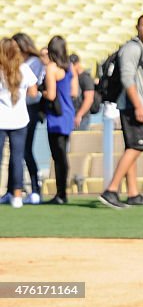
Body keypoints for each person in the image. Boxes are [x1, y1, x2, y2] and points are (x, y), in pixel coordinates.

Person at [97, 14, 143, 209]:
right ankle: (111, 190)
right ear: (137, 27)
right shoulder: (132, 48)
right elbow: (127, 78)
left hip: (142, 104)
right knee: (136, 147)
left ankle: (133, 193)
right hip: (133, 106)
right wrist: (139, 106)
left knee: (132, 147)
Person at [0, 37, 39, 208]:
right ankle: (17, 195)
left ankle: (9, 193)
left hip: (1, 119)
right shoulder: (24, 68)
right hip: (20, 119)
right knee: (17, 158)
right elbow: (33, 92)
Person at [9, 33, 45, 204]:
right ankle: (13, 189)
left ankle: (35, 188)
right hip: (19, 109)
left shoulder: (33, 63)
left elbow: (33, 91)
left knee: (25, 151)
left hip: (29, 110)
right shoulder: (16, 64)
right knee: (18, 154)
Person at [42, 36, 76, 205]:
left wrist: (42, 92)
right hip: (68, 112)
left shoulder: (51, 68)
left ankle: (61, 193)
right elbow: (74, 90)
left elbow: (51, 94)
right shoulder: (69, 66)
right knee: (63, 154)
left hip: (56, 115)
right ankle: (63, 192)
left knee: (58, 155)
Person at [69, 54, 96, 131]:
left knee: (79, 141)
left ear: (77, 64)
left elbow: (89, 99)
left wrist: (79, 115)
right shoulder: (72, 77)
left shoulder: (85, 78)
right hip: (73, 115)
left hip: (82, 117)